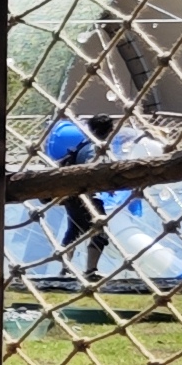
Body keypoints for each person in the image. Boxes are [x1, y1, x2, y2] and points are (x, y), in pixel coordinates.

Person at [43, 112, 121, 276]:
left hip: (73, 195)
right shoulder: (97, 148)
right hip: (86, 196)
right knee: (99, 231)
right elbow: (90, 170)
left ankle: (66, 269)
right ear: (110, 130)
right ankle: (89, 270)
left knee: (74, 231)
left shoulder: (84, 144)